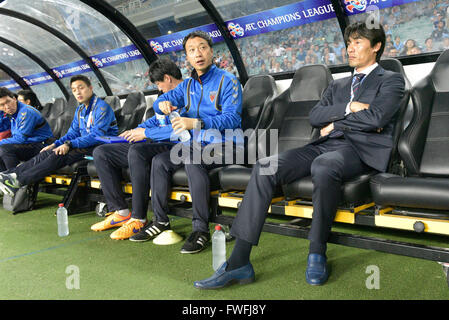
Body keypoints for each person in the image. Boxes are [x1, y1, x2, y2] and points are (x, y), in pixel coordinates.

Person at [193, 21, 405, 289]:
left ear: (376, 47)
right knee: (266, 166)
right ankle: (239, 262)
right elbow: (315, 117)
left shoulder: (391, 80)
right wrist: (350, 107)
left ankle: (317, 251)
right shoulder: (339, 86)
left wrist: (337, 123)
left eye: (358, 42)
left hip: (360, 150)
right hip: (324, 145)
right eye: (349, 43)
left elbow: (377, 118)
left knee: (325, 165)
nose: (350, 48)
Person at [129, 30, 243, 254]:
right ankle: (160, 220)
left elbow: (233, 118)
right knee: (160, 161)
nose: (198, 53)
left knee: (192, 158)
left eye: (202, 47)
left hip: (228, 145)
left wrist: (196, 123)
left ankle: (200, 229)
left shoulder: (228, 81)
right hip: (197, 146)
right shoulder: (188, 85)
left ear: (211, 51)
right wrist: (162, 104)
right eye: (192, 50)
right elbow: (162, 100)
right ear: (187, 58)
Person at [90, 58, 184, 240]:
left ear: (168, 78)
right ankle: (121, 211)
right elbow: (157, 120)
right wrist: (136, 129)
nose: (159, 88)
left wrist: (146, 133)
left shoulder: (189, 93)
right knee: (101, 153)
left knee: (137, 150)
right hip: (154, 143)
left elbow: (180, 128)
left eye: (159, 83)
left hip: (173, 145)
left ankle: (139, 218)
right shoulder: (164, 98)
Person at [0, 75, 118, 197]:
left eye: (81, 88)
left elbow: (96, 136)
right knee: (49, 151)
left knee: (59, 154)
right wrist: (55, 144)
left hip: (100, 147)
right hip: (85, 145)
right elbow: (73, 133)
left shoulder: (102, 107)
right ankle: (12, 175)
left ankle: (19, 181)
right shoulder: (80, 109)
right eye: (74, 90)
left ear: (90, 88)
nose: (78, 92)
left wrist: (69, 144)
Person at [0, 87, 53, 172]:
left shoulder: (26, 112)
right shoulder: (12, 113)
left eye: (8, 102)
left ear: (14, 99)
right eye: (2, 105)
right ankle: (3, 178)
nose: (7, 106)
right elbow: (2, 126)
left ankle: (15, 178)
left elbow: (20, 139)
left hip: (42, 146)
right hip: (28, 145)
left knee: (5, 149)